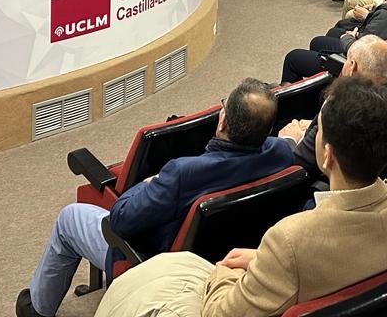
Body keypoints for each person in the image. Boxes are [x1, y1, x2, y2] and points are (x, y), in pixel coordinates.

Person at [94, 78, 387, 317]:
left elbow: (219, 312)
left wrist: (231, 270)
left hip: (221, 291)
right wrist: (264, 260)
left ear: (327, 156)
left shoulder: (291, 238)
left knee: (144, 286)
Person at [16, 78, 292, 317]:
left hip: (154, 262)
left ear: (222, 122)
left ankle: (37, 309)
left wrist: (149, 182)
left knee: (69, 218)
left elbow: (120, 220)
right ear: (269, 129)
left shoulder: (182, 173)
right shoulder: (281, 153)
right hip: (229, 254)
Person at [278, 36, 387, 178]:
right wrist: (311, 127)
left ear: (352, 66)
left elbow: (298, 164)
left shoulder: (338, 110)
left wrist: (289, 139)